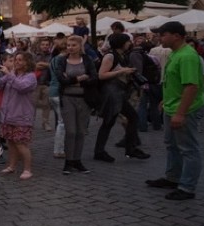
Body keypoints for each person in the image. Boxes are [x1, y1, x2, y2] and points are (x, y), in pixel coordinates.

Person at [145, 21, 204, 200]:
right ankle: (173, 178)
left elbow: (191, 87)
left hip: (185, 109)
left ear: (177, 36)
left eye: (163, 35)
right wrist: (166, 99)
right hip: (172, 106)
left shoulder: (187, 56)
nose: (159, 38)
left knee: (188, 149)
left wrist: (180, 113)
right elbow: (175, 82)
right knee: (172, 146)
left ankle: (187, 187)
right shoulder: (175, 53)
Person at [94, 33, 150, 162]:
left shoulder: (121, 55)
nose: (129, 43)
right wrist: (122, 71)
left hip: (118, 92)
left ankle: (128, 148)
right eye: (127, 41)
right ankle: (103, 151)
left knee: (122, 119)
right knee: (110, 121)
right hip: (112, 93)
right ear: (121, 42)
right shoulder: (110, 56)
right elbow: (101, 75)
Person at [54, 36, 98, 174]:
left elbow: (94, 78)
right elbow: (61, 79)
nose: (70, 47)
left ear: (80, 46)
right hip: (68, 98)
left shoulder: (86, 60)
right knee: (71, 131)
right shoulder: (62, 60)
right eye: (68, 45)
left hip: (84, 99)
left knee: (81, 131)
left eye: (73, 45)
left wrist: (75, 80)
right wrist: (79, 78)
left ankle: (77, 161)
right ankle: (68, 162)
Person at [0, 51, 37, 180]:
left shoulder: (30, 77)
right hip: (8, 115)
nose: (16, 62)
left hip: (21, 116)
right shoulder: (12, 75)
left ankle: (28, 169)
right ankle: (12, 165)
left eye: (20, 60)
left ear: (27, 62)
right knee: (11, 142)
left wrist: (8, 74)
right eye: (16, 59)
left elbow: (21, 87)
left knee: (21, 144)